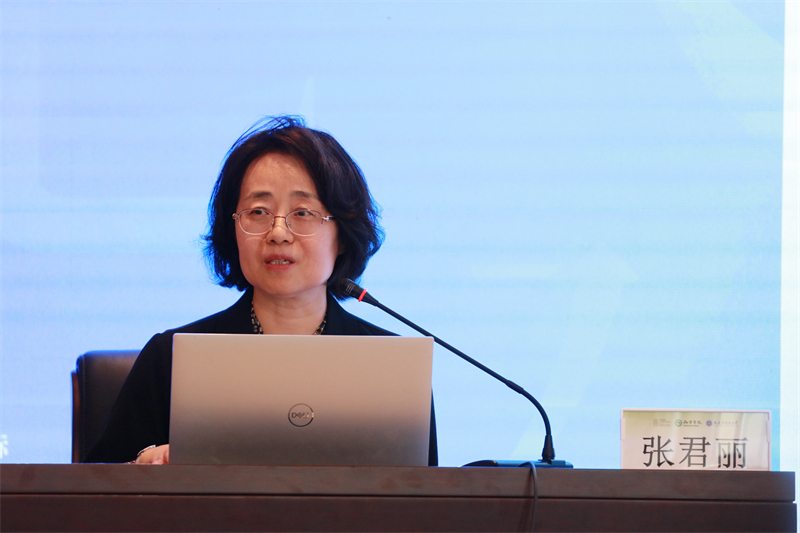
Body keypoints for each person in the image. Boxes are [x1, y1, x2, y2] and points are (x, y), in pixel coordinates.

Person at [84, 116, 438, 465]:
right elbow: (96, 489)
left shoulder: (394, 371)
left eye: (303, 212)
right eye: (258, 211)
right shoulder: (171, 358)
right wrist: (145, 463)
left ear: (342, 235)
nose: (278, 233)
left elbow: (426, 497)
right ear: (233, 230)